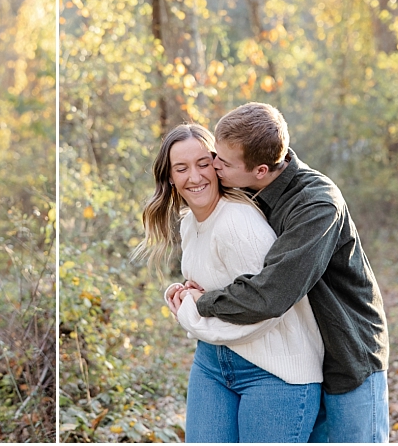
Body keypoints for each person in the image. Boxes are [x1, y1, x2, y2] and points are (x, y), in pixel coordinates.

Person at [190, 102, 389, 443]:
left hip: (345, 358)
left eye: (222, 162)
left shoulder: (316, 205)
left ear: (261, 170)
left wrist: (203, 302)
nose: (213, 165)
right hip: (292, 357)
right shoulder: (246, 186)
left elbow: (270, 294)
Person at [134, 123, 324, 443]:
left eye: (203, 164)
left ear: (218, 164)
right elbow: (215, 285)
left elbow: (266, 309)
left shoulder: (237, 222)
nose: (194, 177)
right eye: (181, 168)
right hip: (213, 363)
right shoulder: (190, 222)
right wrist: (186, 293)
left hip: (274, 370)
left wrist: (190, 312)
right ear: (170, 177)